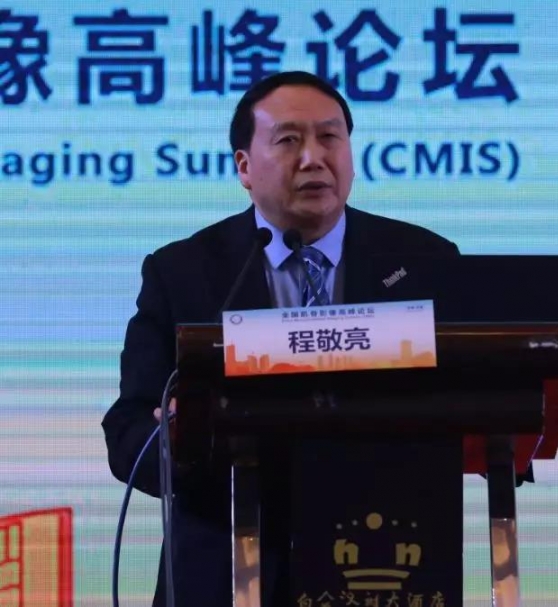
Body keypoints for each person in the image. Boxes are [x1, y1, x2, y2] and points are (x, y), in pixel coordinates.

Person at [101, 71, 459, 606]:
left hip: (383, 558)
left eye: (330, 137)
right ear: (244, 167)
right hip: (223, 574)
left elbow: (467, 402)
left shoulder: (424, 260)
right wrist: (178, 441)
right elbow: (128, 432)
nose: (313, 158)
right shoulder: (183, 272)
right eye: (289, 140)